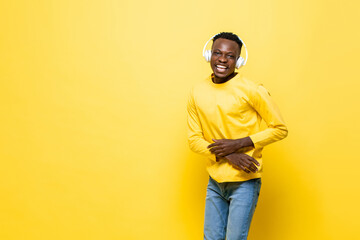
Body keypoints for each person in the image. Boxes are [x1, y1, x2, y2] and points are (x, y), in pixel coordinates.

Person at [187, 32, 288, 240]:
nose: (222, 59)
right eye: (217, 53)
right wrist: (229, 154)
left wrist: (239, 143)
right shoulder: (197, 91)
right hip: (214, 181)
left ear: (239, 60)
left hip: (244, 181)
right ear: (209, 55)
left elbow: (280, 128)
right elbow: (194, 140)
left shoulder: (252, 90)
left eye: (230, 55)